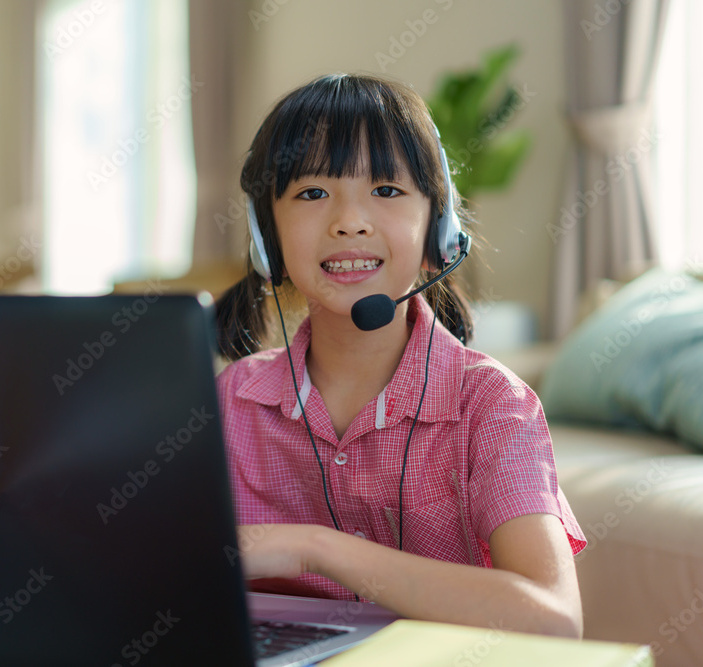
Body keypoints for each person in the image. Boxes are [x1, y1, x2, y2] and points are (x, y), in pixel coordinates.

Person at [214, 73, 586, 638]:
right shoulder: (231, 401)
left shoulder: (491, 406)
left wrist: (315, 550)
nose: (349, 221)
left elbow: (554, 619)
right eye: (312, 193)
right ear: (268, 237)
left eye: (386, 191)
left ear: (439, 230)